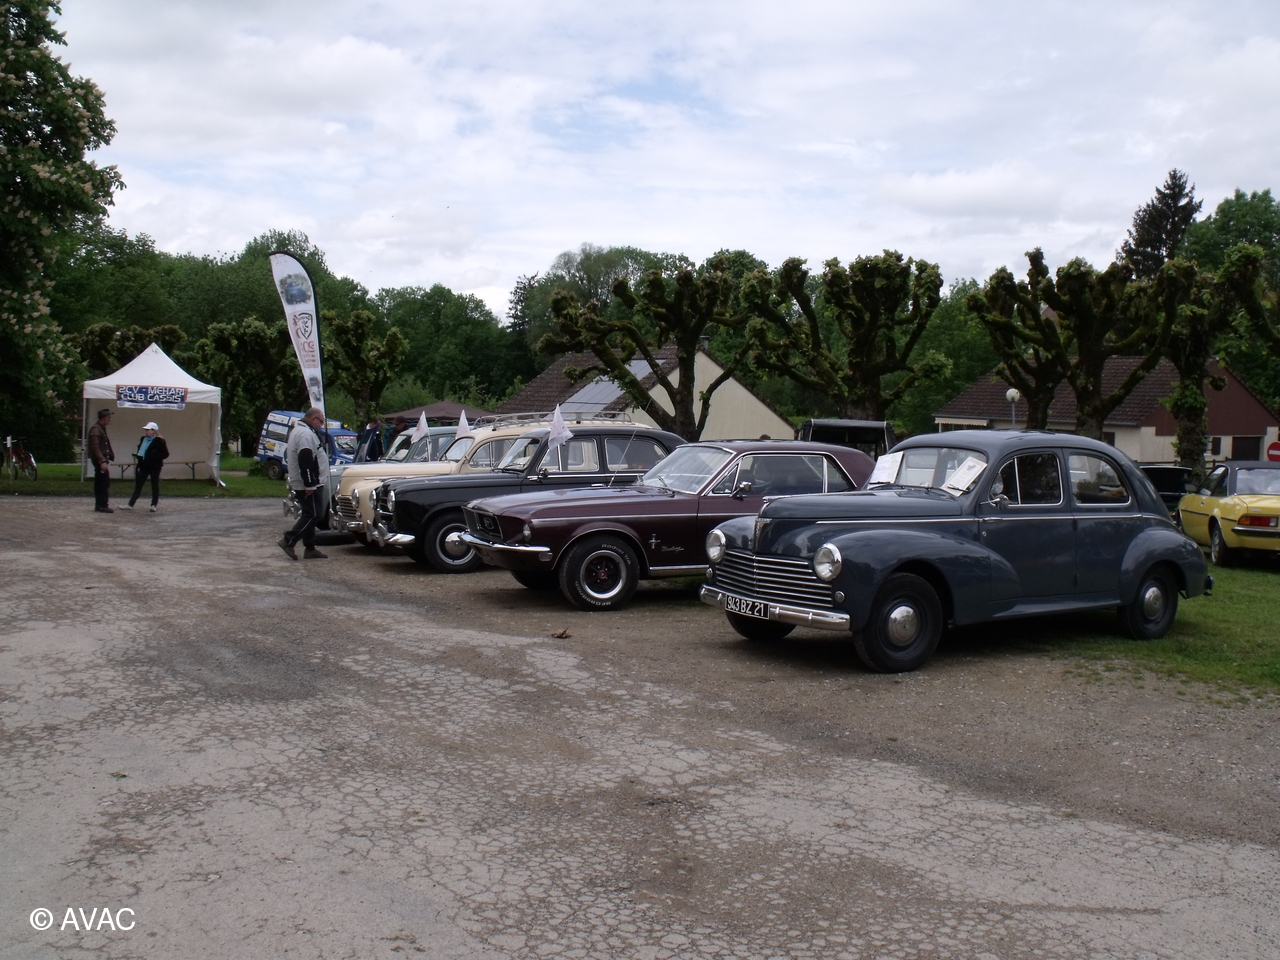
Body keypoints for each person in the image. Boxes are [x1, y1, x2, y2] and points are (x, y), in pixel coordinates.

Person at [278, 407, 331, 560]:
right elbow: (305, 459)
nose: (321, 425)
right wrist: (310, 484)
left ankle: (310, 547)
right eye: (321, 421)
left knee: (309, 513)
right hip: (308, 482)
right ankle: (289, 540)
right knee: (313, 514)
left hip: (308, 481)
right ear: (313, 419)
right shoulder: (305, 434)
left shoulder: (301, 431)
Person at [122, 421, 169, 512]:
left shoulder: (160, 441)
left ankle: (154, 504)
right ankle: (131, 504)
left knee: (154, 485)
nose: (146, 431)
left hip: (155, 466)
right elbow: (141, 450)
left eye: (148, 430)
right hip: (144, 465)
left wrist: (155, 457)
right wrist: (138, 456)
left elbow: (165, 454)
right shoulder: (143, 439)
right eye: (146, 430)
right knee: (139, 484)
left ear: (153, 431)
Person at [87, 408, 115, 513]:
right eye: (109, 417)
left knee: (101, 482)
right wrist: (102, 461)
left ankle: (99, 505)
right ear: (104, 418)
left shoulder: (100, 428)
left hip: (100, 460)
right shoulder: (96, 429)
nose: (110, 419)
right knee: (103, 483)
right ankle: (102, 505)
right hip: (99, 461)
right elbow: (95, 447)